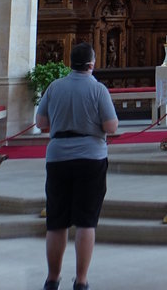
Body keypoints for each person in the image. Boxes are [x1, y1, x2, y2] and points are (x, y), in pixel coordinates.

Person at [35, 42, 119, 290]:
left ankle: (52, 278)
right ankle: (81, 280)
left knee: (56, 221)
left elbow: (41, 122)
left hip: (58, 157)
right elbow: (111, 126)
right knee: (85, 221)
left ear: (70, 63)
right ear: (92, 64)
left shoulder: (55, 87)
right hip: (91, 159)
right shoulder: (98, 89)